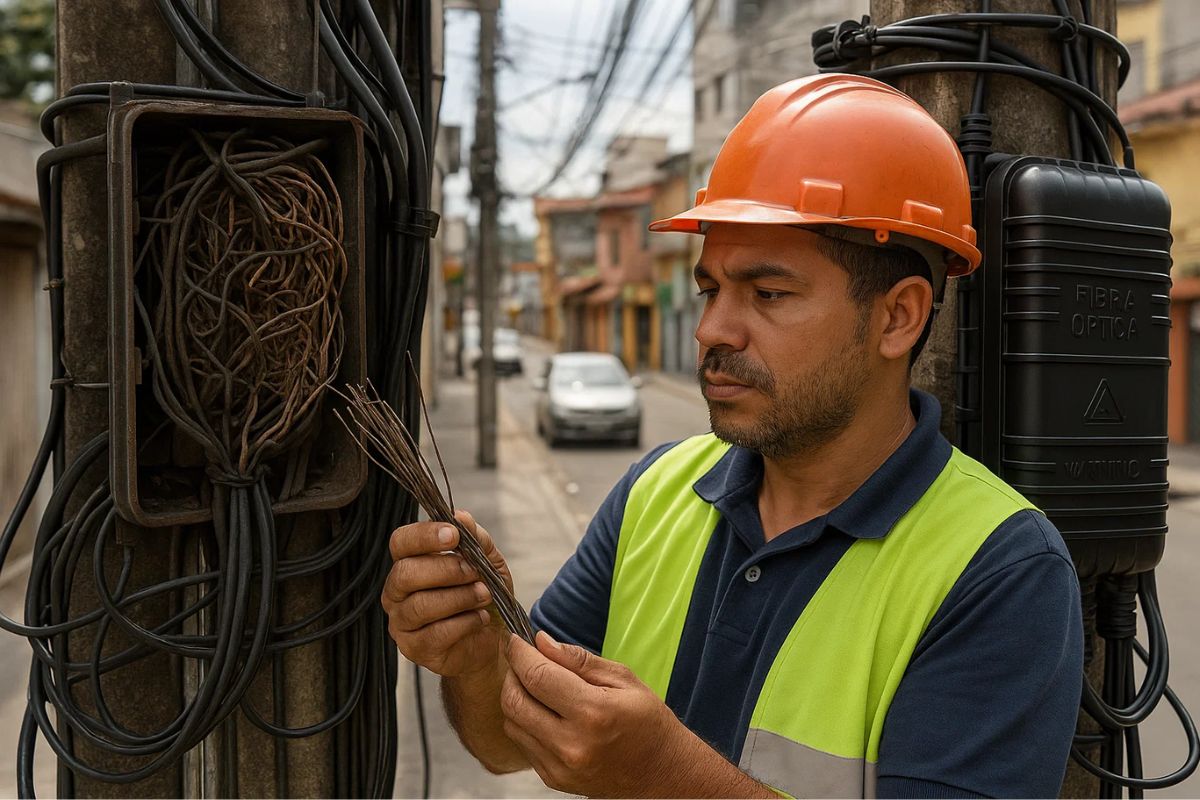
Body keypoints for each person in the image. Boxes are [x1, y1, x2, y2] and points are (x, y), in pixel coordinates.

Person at [382, 74, 1084, 798]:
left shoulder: (999, 570)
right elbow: (507, 745)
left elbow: (646, 770)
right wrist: (477, 657)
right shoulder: (657, 491)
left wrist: (661, 773)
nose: (712, 329)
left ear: (898, 317)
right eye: (710, 289)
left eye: (768, 293)